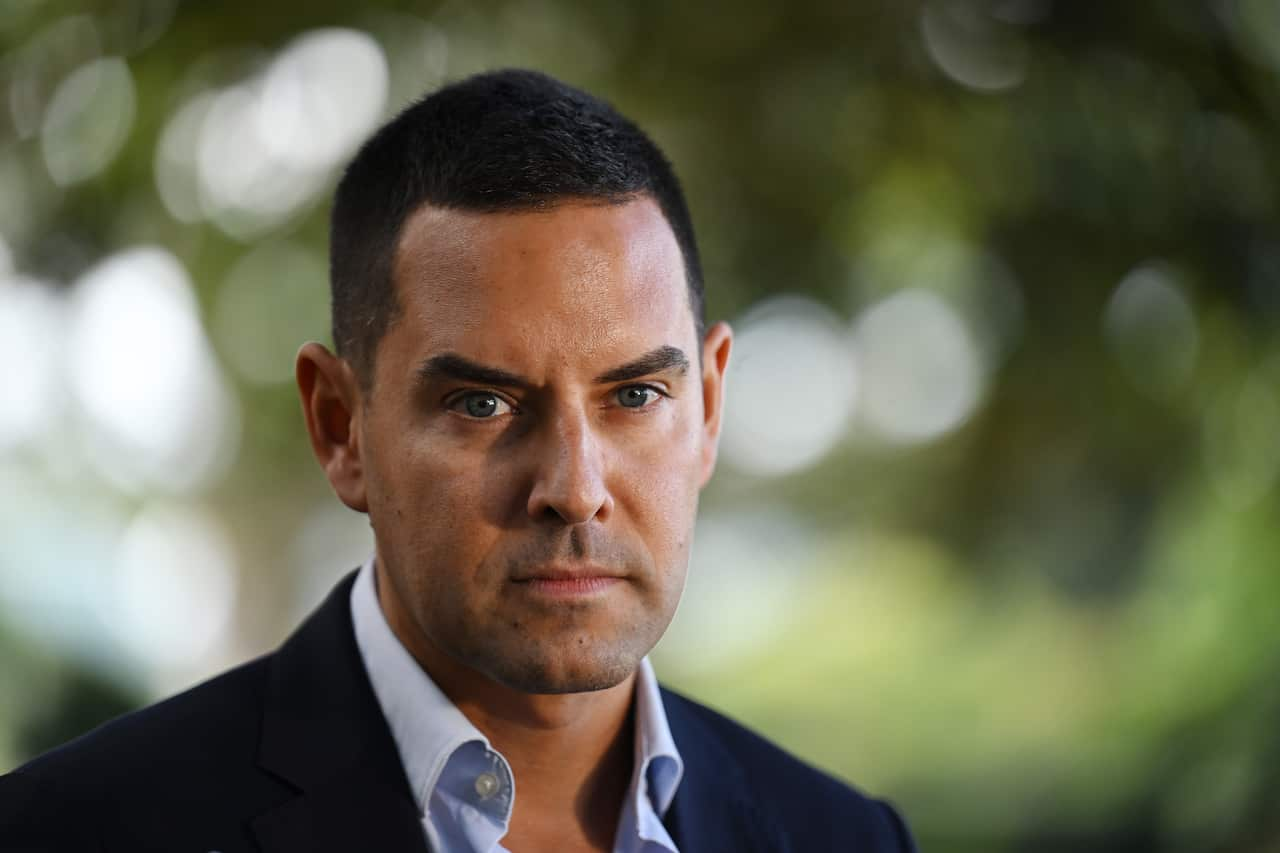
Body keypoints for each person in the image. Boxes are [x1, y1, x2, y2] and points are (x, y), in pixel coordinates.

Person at [0, 69, 916, 853]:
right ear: (339, 427)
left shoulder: (845, 836)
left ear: (709, 405)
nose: (573, 489)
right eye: (483, 404)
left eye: (636, 396)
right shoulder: (70, 829)